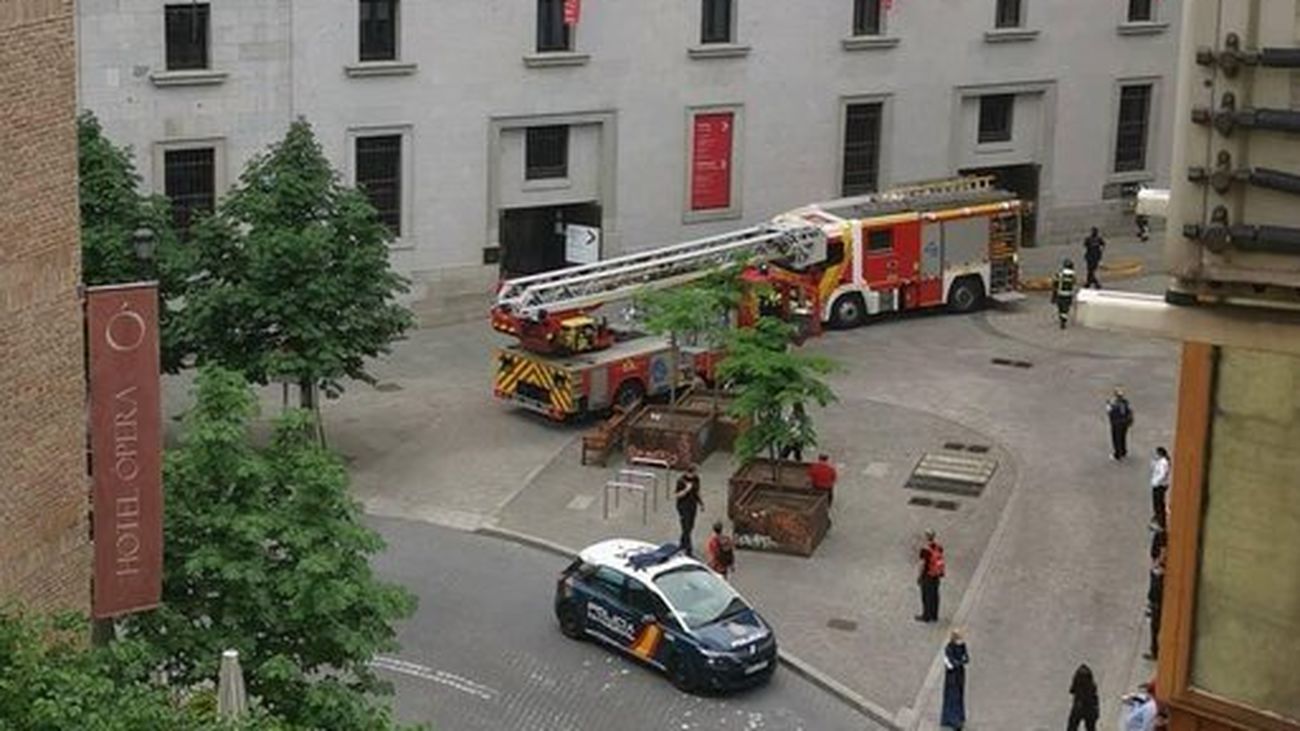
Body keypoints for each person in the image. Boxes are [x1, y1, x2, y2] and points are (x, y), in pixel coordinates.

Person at [940, 629, 970, 730]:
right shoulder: (949, 648)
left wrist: (961, 661)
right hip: (952, 677)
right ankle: (952, 719)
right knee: (952, 696)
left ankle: (958, 717)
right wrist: (959, 662)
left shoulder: (962, 646)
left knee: (959, 695)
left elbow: (966, 658)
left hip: (959, 674)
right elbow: (949, 663)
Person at [674, 464, 704, 557]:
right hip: (683, 506)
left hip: (692, 505)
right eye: (694, 472)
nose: (695, 474)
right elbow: (677, 495)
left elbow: (697, 492)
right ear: (688, 472)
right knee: (686, 527)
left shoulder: (696, 479)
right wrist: (686, 490)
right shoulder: (681, 481)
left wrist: (701, 503)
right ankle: (689, 550)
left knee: (690, 526)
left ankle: (682, 543)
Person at [916, 530, 945, 623]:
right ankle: (934, 615)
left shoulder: (925, 550)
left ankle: (926, 615)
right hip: (936, 575)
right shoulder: (939, 547)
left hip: (927, 575)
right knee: (935, 594)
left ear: (926, 537)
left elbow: (922, 564)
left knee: (926, 595)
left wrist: (919, 576)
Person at [1145, 551, 1165, 661]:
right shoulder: (1156, 573)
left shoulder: (1158, 576)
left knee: (1155, 629)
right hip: (1155, 603)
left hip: (1157, 605)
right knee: (1155, 630)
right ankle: (1154, 650)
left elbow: (1154, 591)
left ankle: (1155, 652)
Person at [1068, 664, 1100, 731]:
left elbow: (1072, 690)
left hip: (1079, 707)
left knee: (1072, 726)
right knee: (1091, 728)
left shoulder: (1078, 682)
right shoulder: (1092, 686)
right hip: (1090, 708)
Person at [1107, 388, 1135, 460]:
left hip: (1117, 424)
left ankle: (1117, 455)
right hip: (1125, 423)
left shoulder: (1113, 404)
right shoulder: (1125, 402)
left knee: (1116, 439)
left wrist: (1109, 405)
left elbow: (1109, 413)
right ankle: (1123, 452)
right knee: (1122, 438)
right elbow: (1130, 411)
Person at [1051, 259, 1078, 329]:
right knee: (1066, 308)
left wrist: (1053, 295)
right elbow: (1074, 284)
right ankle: (1063, 320)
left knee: (1060, 307)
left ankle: (1062, 318)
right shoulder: (1073, 275)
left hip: (1060, 293)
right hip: (1069, 294)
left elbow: (1055, 283)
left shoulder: (1060, 274)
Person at [1149, 447, 1170, 530]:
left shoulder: (1163, 463)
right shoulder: (1161, 462)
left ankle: (1161, 523)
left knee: (1158, 504)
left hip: (1159, 486)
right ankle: (1158, 519)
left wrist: (1155, 482)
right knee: (1158, 503)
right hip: (1160, 485)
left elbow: (1162, 474)